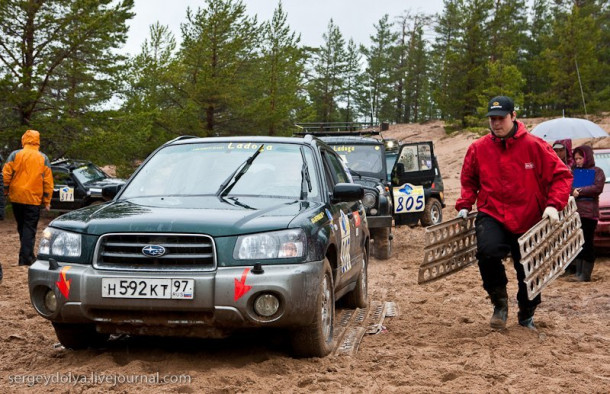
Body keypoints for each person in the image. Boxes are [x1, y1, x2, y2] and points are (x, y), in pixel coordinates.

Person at [456, 96, 573, 330]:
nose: (496, 123)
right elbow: (469, 180)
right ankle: (499, 303)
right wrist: (465, 205)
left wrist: (553, 204)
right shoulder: (478, 149)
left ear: (513, 116)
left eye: (501, 118)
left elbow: (562, 176)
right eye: (492, 119)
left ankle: (527, 312)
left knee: (531, 272)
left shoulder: (535, 146)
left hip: (529, 217)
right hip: (493, 213)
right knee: (487, 252)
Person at [3, 130, 54, 266]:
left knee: (22, 227)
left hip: (16, 197)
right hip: (33, 199)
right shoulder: (43, 158)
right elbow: (48, 182)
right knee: (29, 228)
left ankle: (27, 254)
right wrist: (47, 201)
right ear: (38, 140)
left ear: (24, 139)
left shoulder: (15, 154)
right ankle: (26, 258)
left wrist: (5, 191)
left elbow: (6, 175)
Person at [571, 145, 605, 282]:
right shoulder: (573, 172)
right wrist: (572, 191)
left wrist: (579, 191)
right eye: (576, 158)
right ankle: (578, 272)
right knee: (578, 243)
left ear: (587, 157)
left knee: (587, 242)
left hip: (589, 214)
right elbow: (566, 186)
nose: (578, 161)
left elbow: (597, 187)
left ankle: (585, 274)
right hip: (575, 212)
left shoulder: (597, 172)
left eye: (580, 158)